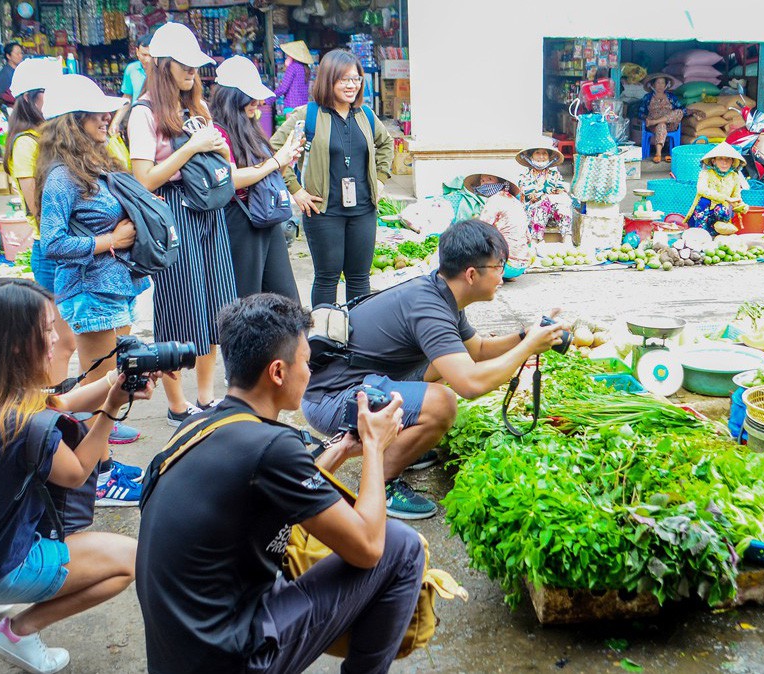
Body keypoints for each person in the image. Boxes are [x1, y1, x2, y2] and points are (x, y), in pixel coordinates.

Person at [136, 293, 424, 674]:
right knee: (401, 546)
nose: (310, 372)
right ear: (277, 372)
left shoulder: (198, 426)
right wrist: (374, 446)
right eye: (306, 361)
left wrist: (339, 451)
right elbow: (368, 548)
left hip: (180, 652)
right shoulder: (273, 447)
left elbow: (274, 485)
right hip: (232, 658)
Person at [0, 278, 149, 674]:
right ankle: (18, 632)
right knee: (131, 559)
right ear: (16, 344)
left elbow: (59, 403)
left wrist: (114, 381)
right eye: (47, 329)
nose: (61, 339)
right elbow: (75, 473)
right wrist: (109, 411)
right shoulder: (22, 424)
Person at [301, 219, 566, 519]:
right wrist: (528, 347)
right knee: (443, 403)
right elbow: (470, 385)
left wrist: (525, 334)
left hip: (354, 383)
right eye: (499, 267)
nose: (502, 276)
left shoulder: (441, 291)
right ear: (470, 274)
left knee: (445, 365)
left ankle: (402, 446)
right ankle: (380, 484)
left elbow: (476, 350)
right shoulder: (429, 308)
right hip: (333, 400)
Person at [36, 74, 150, 504]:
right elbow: (53, 243)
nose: (107, 117)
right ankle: (97, 478)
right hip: (89, 292)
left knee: (114, 381)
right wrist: (109, 241)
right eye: (98, 112)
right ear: (73, 120)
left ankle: (101, 465)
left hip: (115, 288)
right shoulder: (63, 177)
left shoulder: (94, 164)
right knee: (100, 386)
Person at [128, 22, 236, 427]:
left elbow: (220, 162)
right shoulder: (144, 113)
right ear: (163, 65)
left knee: (215, 304)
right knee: (177, 308)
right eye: (184, 65)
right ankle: (177, 405)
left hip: (209, 211)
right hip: (172, 213)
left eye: (195, 66)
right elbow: (143, 180)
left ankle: (207, 398)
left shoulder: (197, 107)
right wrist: (192, 147)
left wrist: (218, 149)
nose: (192, 72)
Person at [269, 49, 395, 307]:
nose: (351, 85)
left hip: (363, 210)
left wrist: (380, 179)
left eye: (356, 79)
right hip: (323, 211)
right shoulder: (309, 115)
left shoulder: (366, 115)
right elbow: (273, 148)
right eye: (344, 79)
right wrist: (295, 189)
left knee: (359, 279)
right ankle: (325, 341)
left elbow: (386, 144)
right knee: (327, 278)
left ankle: (359, 339)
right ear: (328, 79)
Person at [210, 56, 304, 300]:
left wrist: (285, 161)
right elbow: (230, 180)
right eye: (251, 98)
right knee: (248, 299)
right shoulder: (217, 131)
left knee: (285, 297)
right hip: (239, 220)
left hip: (265, 217)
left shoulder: (251, 127)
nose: (259, 102)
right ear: (233, 97)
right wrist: (275, 161)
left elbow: (270, 177)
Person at [4, 58, 69, 385]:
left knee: (67, 341)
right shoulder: (26, 144)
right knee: (59, 342)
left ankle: (66, 409)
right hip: (52, 250)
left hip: (63, 248)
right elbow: (35, 205)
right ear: (29, 98)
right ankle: (59, 412)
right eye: (48, 92)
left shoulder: (49, 136)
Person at [468, 173, 531, 279]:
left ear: (500, 182)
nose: (485, 183)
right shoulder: (515, 201)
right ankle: (508, 276)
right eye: (482, 181)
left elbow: (481, 228)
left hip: (504, 266)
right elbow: (528, 238)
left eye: (489, 179)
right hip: (522, 266)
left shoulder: (494, 200)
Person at [683, 142, 749, 236]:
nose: (724, 162)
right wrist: (726, 198)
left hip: (721, 214)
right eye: (720, 159)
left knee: (722, 210)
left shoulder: (734, 176)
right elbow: (702, 190)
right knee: (704, 201)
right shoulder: (705, 173)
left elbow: (736, 197)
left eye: (728, 159)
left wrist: (742, 206)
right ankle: (700, 234)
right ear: (714, 161)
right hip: (703, 212)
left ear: (732, 162)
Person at [515, 146, 572, 242]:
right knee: (542, 205)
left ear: (549, 157)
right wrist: (547, 195)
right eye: (537, 153)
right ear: (531, 156)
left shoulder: (554, 174)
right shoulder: (525, 175)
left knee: (563, 206)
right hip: (533, 211)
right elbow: (530, 195)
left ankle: (567, 238)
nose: (541, 156)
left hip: (554, 211)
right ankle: (535, 240)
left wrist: (551, 194)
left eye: (544, 153)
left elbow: (561, 189)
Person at [638, 73, 684, 163]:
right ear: (653, 85)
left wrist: (692, 111)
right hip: (653, 126)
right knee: (661, 125)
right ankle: (658, 154)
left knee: (679, 112)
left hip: (670, 125)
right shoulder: (647, 97)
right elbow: (640, 113)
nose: (660, 85)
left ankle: (655, 121)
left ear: (666, 85)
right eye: (658, 83)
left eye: (662, 83)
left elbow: (682, 109)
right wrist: (645, 118)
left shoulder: (671, 97)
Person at [274, 40, 314, 114]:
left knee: (291, 126)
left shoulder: (292, 67)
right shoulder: (306, 69)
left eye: (288, 56)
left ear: (292, 57)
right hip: (303, 107)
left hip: (291, 107)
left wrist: (268, 99)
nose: (286, 58)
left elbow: (283, 89)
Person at [121, 36, 151, 104]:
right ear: (137, 52)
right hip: (138, 113)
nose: (148, 60)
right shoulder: (131, 69)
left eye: (151, 55)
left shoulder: (163, 70)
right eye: (144, 55)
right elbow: (127, 97)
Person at [0, 42, 24, 106]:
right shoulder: (5, 73)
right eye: (17, 54)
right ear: (8, 56)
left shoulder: (20, 70)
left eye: (21, 53)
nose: (20, 56)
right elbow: (1, 94)